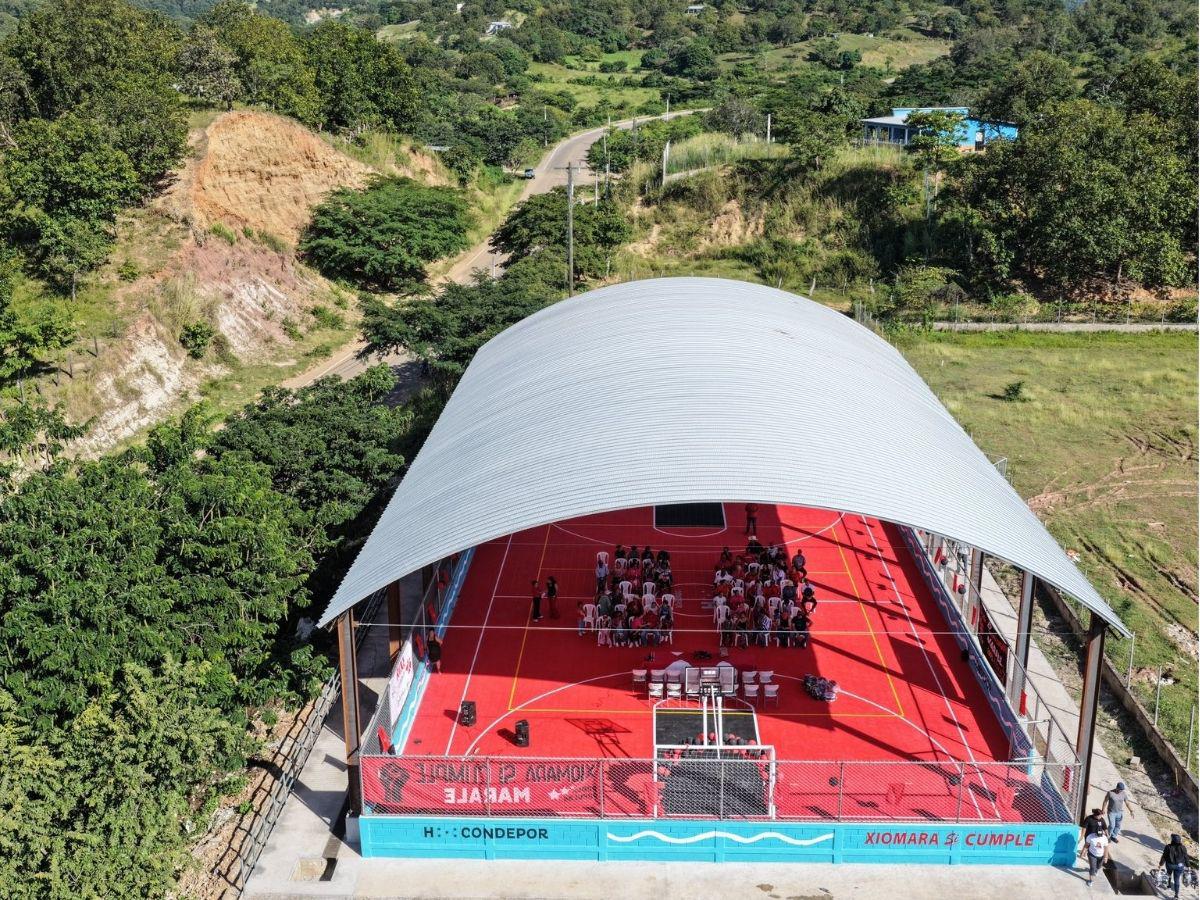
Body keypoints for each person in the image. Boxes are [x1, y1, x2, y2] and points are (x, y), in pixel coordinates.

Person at [1159, 833, 1188, 899]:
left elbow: (1164, 856)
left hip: (1170, 865)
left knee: (1169, 874)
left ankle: (1169, 885)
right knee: (1177, 880)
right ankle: (1176, 895)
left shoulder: (1168, 846)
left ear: (1172, 840)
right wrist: (1188, 866)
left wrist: (1160, 864)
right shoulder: (1183, 847)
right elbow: (1186, 857)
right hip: (1180, 866)